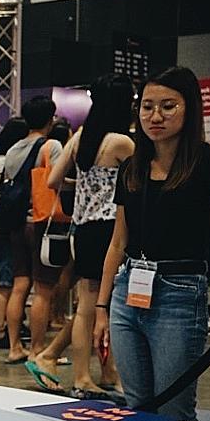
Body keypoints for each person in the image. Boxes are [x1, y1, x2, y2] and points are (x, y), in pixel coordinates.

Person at [95, 66, 210, 421]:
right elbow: (117, 241)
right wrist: (102, 306)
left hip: (179, 293)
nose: (156, 116)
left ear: (189, 109)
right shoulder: (132, 167)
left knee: (174, 409)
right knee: (136, 405)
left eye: (168, 106)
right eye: (147, 106)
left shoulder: (207, 161)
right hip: (127, 290)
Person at [41, 76, 134, 398]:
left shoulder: (82, 137)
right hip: (110, 230)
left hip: (82, 231)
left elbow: (53, 180)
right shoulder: (122, 142)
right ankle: (83, 377)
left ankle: (100, 373)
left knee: (86, 306)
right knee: (98, 307)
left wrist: (82, 185)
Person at [0, 97, 63, 374]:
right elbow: (58, 179)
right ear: (51, 119)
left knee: (19, 283)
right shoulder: (52, 145)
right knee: (43, 290)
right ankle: (37, 350)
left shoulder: (13, 149)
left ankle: (15, 347)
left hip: (14, 224)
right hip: (39, 222)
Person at [0, 118, 29, 348]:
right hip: (11, 227)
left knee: (0, 279)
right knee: (6, 281)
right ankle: (0, 330)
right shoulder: (12, 162)